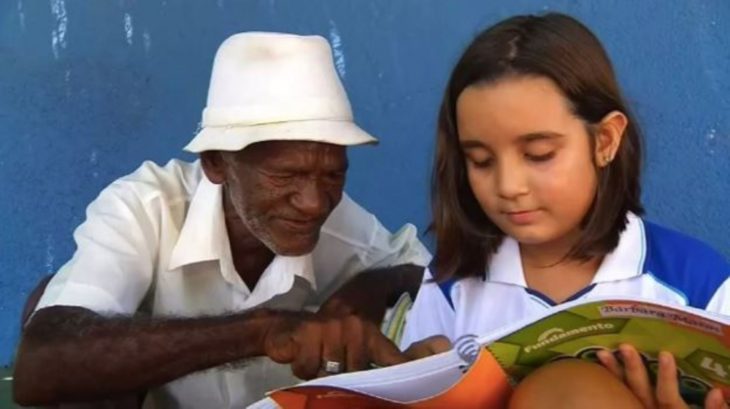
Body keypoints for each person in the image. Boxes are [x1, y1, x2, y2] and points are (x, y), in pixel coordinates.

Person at [13, 32, 431, 408]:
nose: (314, 203)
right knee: (54, 307)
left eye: (333, 174)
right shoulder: (146, 207)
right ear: (216, 164)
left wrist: (378, 283)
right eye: (285, 176)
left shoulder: (347, 230)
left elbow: (441, 280)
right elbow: (40, 366)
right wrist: (263, 331)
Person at [399, 13, 730, 408]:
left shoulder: (698, 285)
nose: (508, 186)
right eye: (481, 161)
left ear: (605, 140)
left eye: (539, 155)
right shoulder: (451, 287)